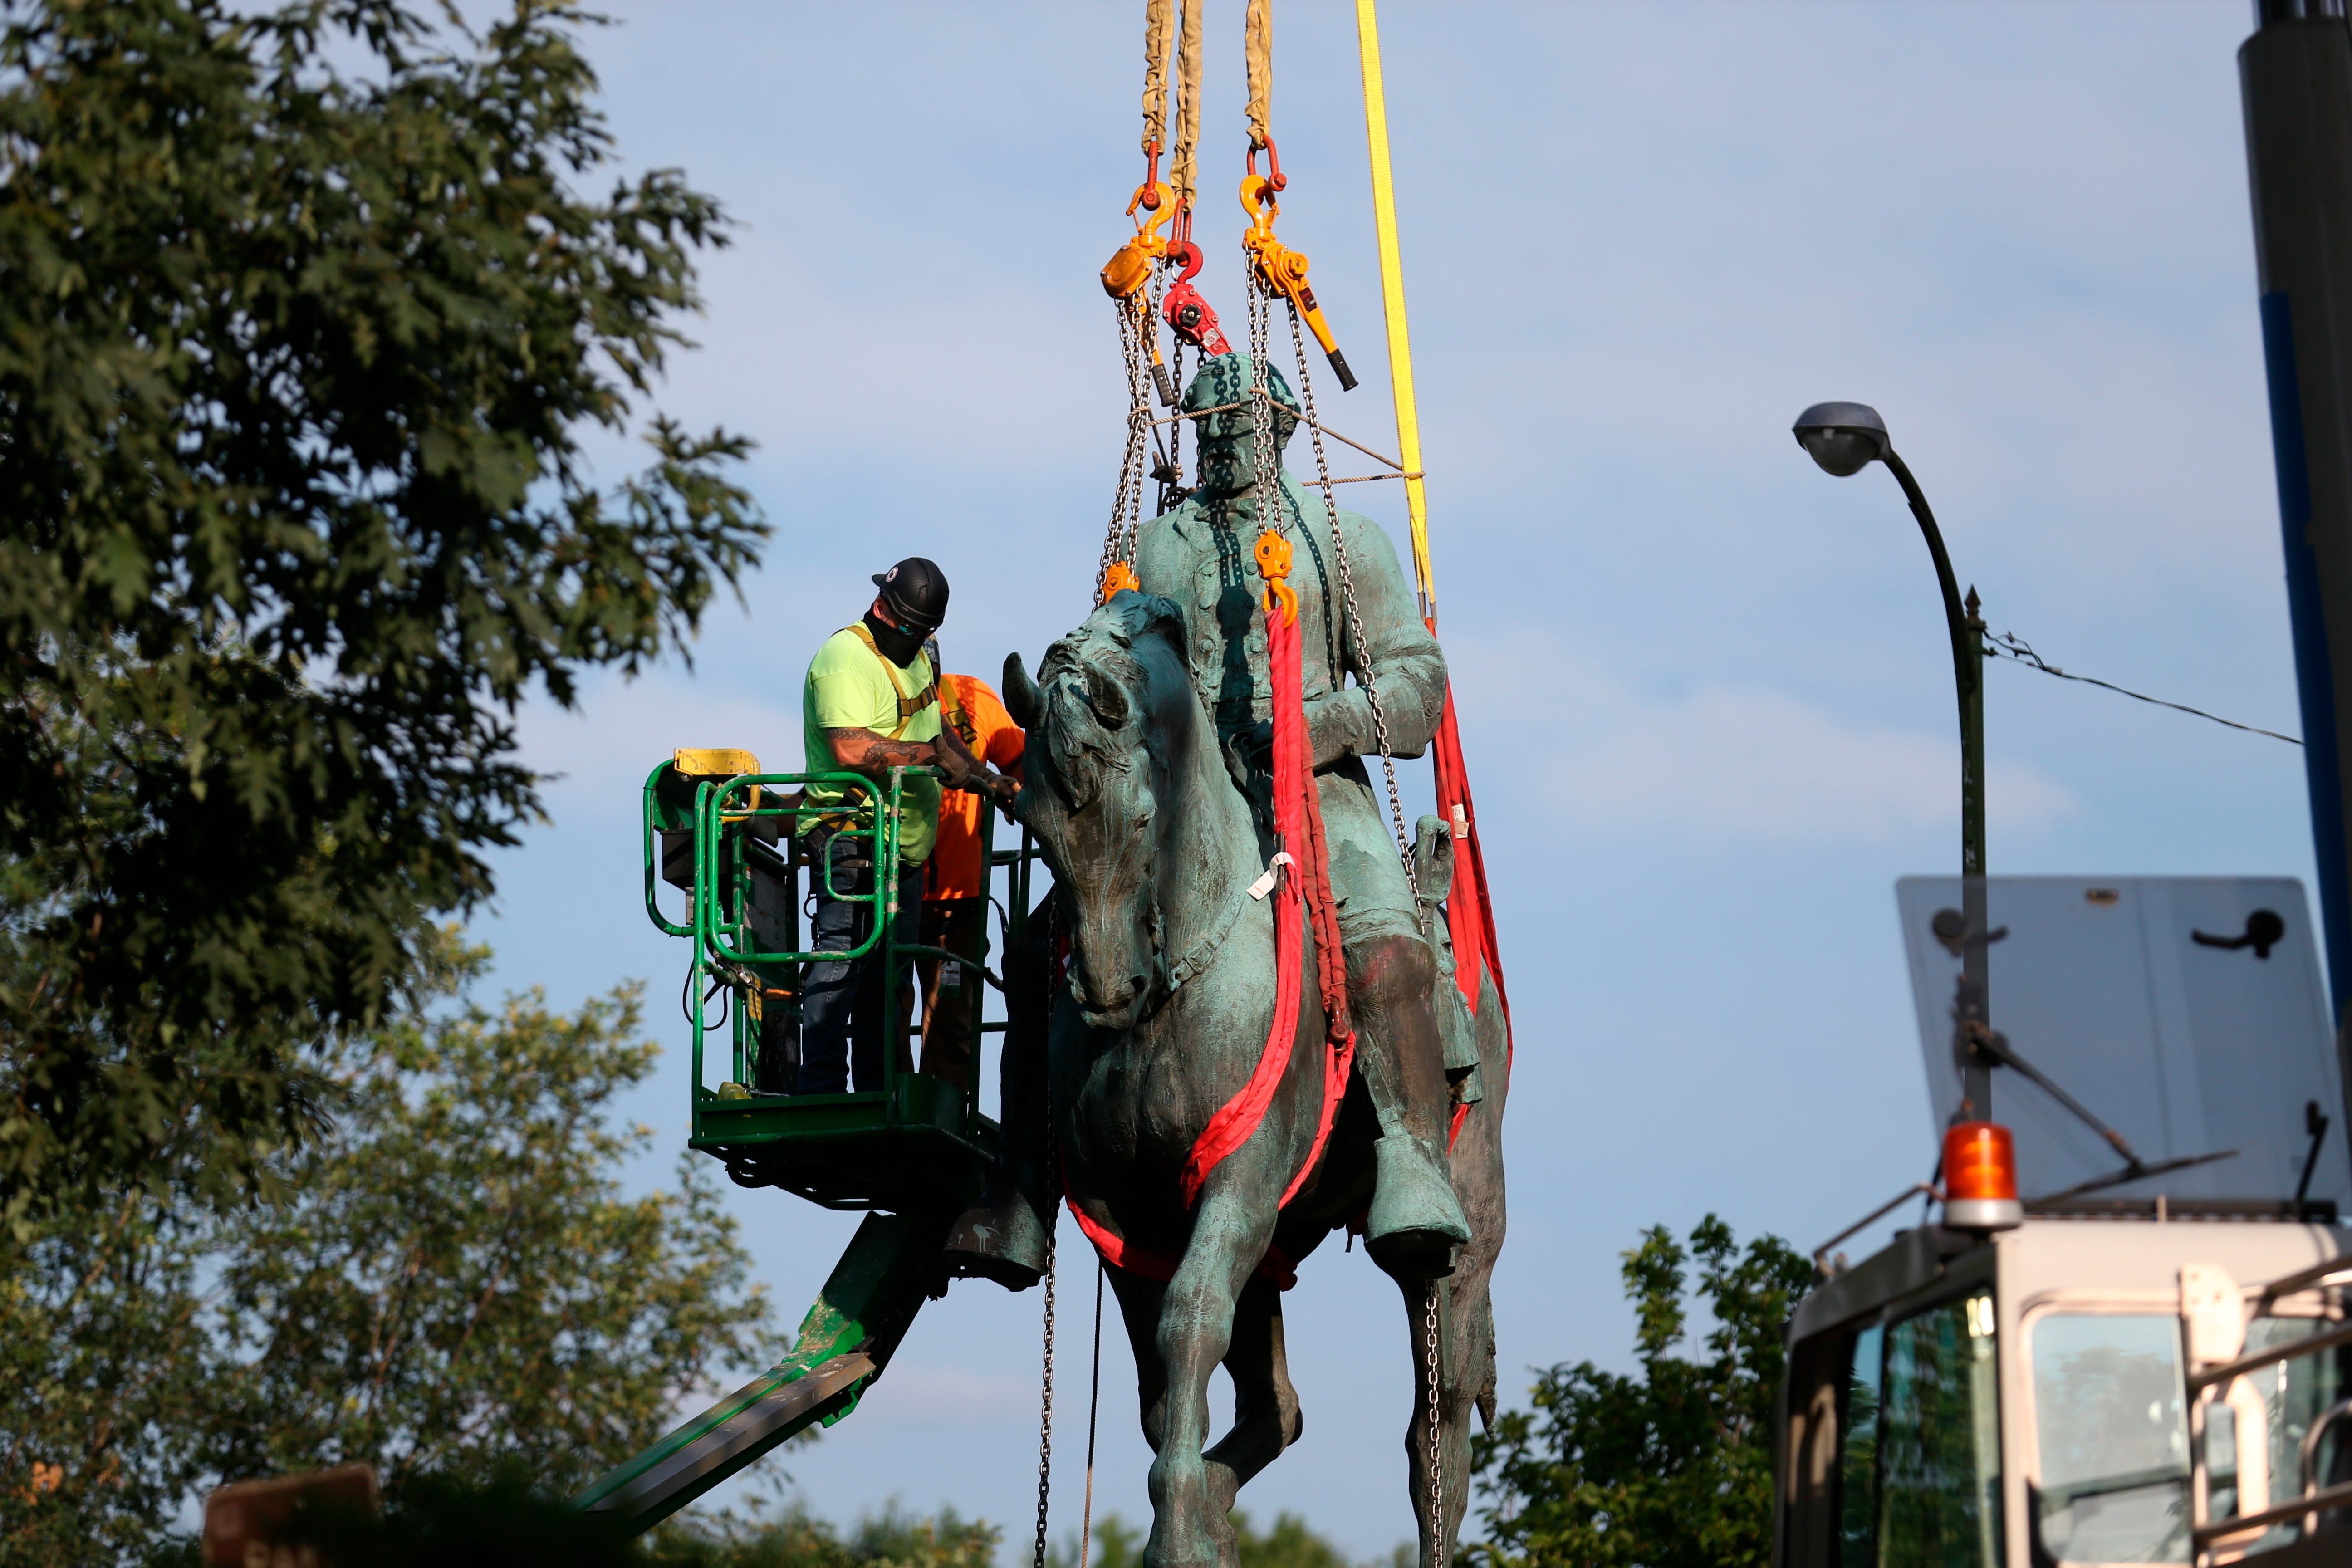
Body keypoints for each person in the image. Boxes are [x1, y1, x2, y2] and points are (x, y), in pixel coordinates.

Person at [1128, 353, 1470, 1279]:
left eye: (1238, 426)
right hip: (1190, 801)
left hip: (1318, 788)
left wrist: (1326, 722)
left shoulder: (1342, 538)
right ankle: (1023, 1179)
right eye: (1207, 427)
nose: (1220, 444)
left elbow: (1414, 678)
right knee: (1058, 939)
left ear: (1280, 428)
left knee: (1384, 943)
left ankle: (1408, 1152)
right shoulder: (1159, 546)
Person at [797, 558, 1016, 1095]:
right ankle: (822, 1087)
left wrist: (992, 784)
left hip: (904, 854)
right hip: (851, 841)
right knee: (839, 967)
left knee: (887, 979)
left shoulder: (917, 661)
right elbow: (850, 749)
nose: (882, 615)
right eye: (884, 609)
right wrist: (926, 757)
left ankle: (879, 1090)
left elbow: (943, 739)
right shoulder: (845, 658)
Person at [916, 662, 1026, 1092]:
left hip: (959, 899)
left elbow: (1019, 760)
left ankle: (944, 1123)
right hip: (886, 889)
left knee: (953, 1024)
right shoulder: (876, 702)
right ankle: (893, 1114)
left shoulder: (970, 696)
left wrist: (1020, 795)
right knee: (883, 1015)